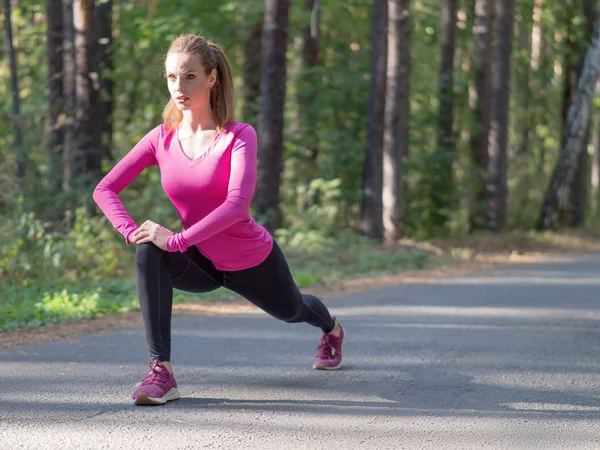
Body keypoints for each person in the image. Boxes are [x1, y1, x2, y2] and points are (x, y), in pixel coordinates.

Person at [93, 34, 345, 406]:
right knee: (149, 249)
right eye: (171, 77)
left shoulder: (238, 136)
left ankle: (332, 329)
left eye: (190, 76)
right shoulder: (160, 139)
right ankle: (160, 370)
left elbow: (236, 206)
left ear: (212, 78)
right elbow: (105, 189)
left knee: (294, 310)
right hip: (201, 263)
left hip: (250, 260)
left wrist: (176, 240)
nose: (179, 87)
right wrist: (132, 232)